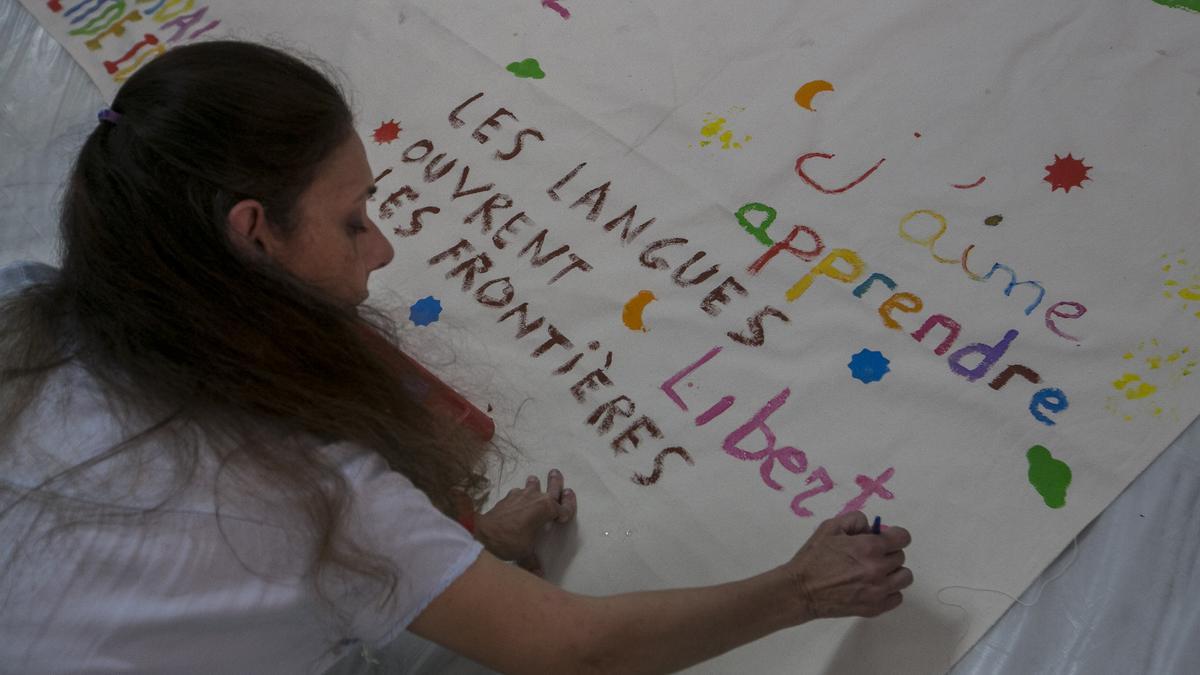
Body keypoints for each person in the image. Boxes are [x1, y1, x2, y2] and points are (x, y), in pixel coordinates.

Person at [0, 41, 912, 674]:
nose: (385, 247)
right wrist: (800, 587)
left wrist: (459, 549)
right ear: (254, 235)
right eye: (354, 218)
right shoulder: (313, 495)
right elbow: (581, 650)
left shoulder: (24, 310)